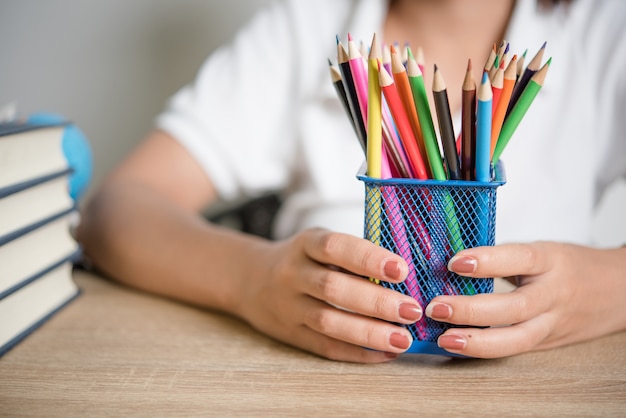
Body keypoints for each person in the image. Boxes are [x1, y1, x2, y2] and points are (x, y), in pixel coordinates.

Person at [77, 0, 626, 363]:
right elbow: (114, 210)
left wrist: (606, 286)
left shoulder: (605, 32)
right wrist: (251, 278)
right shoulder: (306, 25)